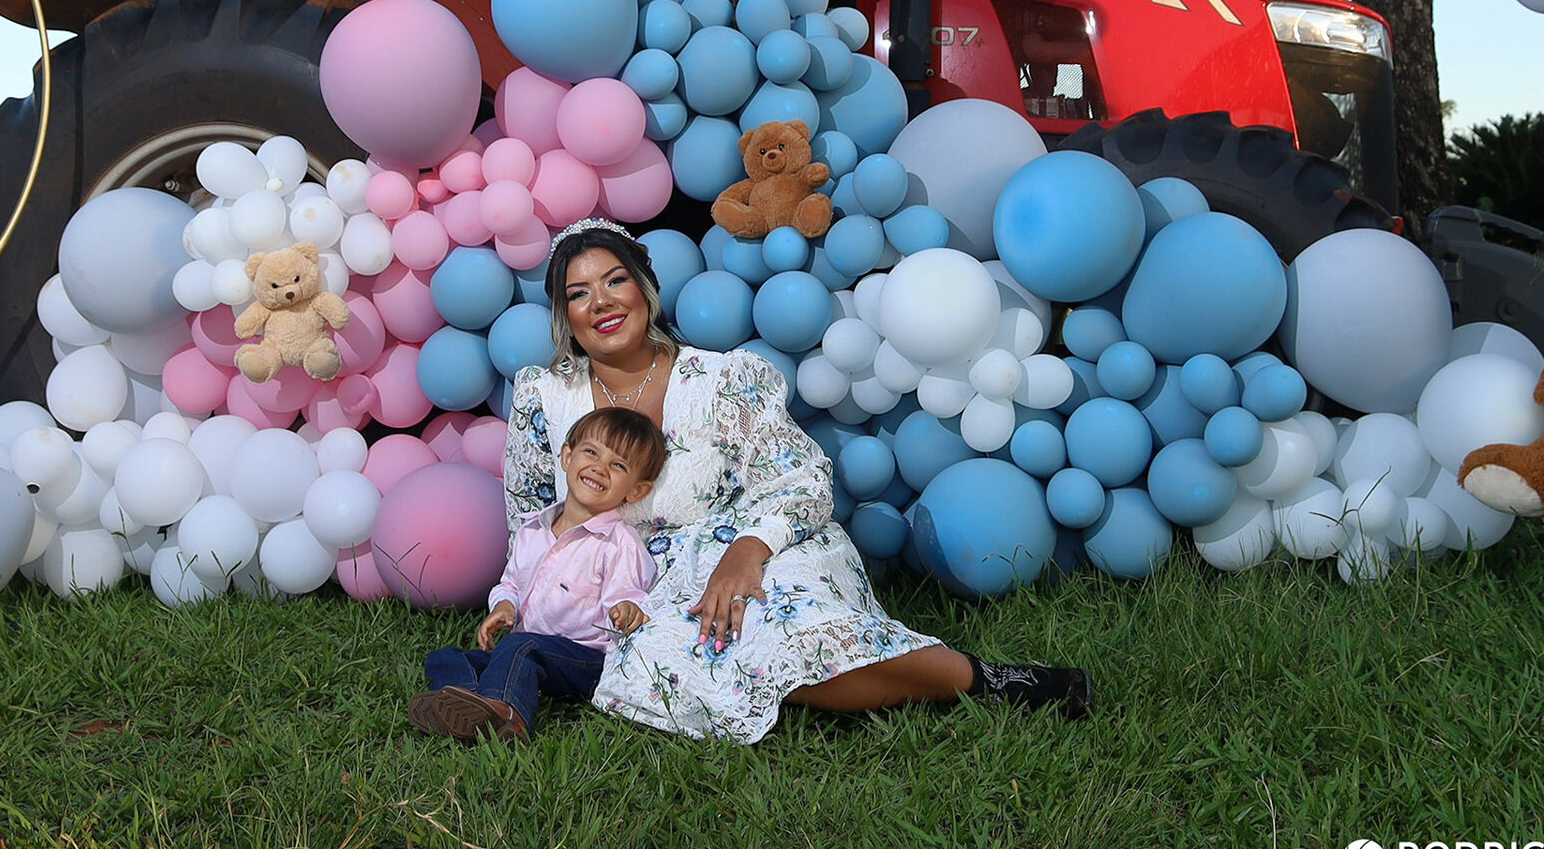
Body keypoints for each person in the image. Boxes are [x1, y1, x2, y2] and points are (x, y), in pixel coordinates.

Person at [412, 218, 1089, 745]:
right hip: (633, 578)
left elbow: (801, 479)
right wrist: (524, 598)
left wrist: (746, 553)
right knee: (703, 648)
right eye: (578, 293)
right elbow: (530, 514)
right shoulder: (543, 396)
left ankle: (991, 678)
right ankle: (957, 684)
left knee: (769, 620)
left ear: (644, 286)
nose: (601, 303)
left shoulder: (724, 379)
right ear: (565, 314)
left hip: (760, 543)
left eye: (614, 281)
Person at [408, 405, 667, 740]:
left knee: (520, 646)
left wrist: (627, 610)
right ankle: (464, 702)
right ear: (567, 456)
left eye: (618, 465)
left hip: (584, 659)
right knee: (447, 657)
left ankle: (508, 716)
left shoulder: (618, 543)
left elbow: (629, 593)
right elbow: (511, 583)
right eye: (591, 452)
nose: (599, 468)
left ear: (636, 491)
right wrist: (505, 607)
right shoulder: (533, 529)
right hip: (525, 651)